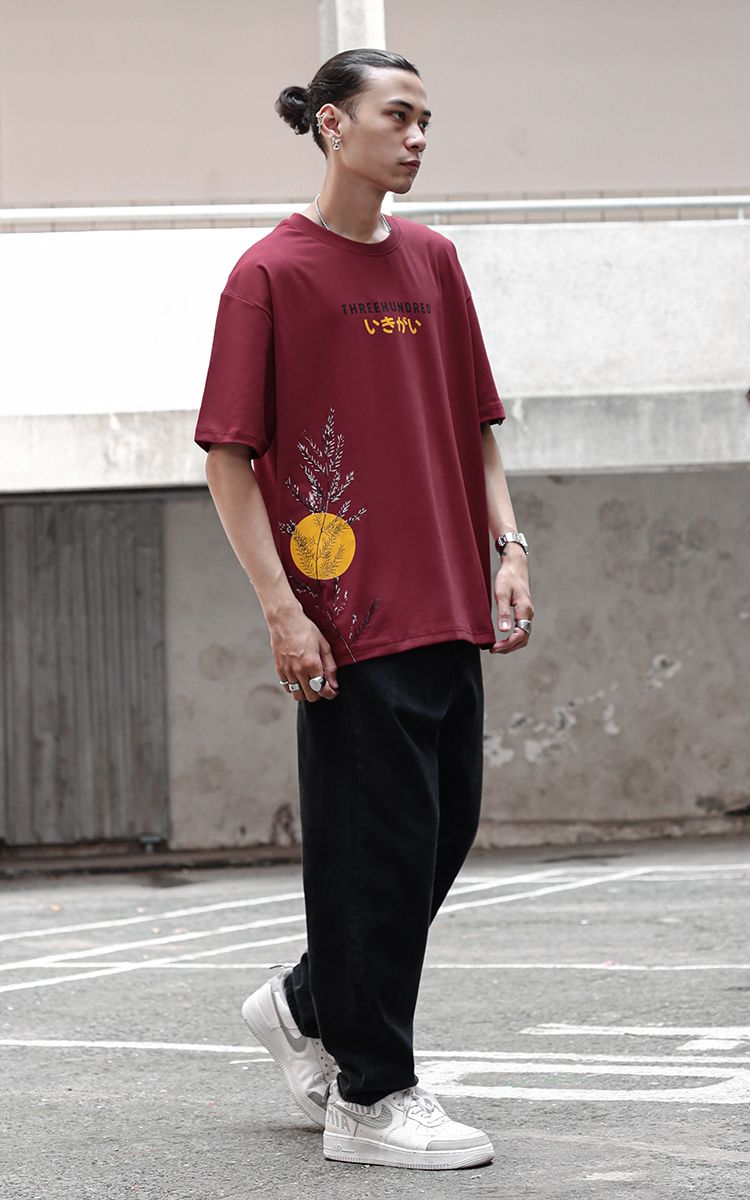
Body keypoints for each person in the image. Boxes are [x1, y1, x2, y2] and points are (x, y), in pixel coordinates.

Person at [194, 47, 534, 1172]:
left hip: (449, 599)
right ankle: (370, 1096)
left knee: (435, 839)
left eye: (428, 118)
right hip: (347, 617)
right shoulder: (270, 274)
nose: (419, 136)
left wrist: (509, 547)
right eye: (399, 116)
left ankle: (306, 1003)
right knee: (373, 854)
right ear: (333, 125)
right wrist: (282, 611)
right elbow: (229, 458)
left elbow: (477, 426)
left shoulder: (434, 260)